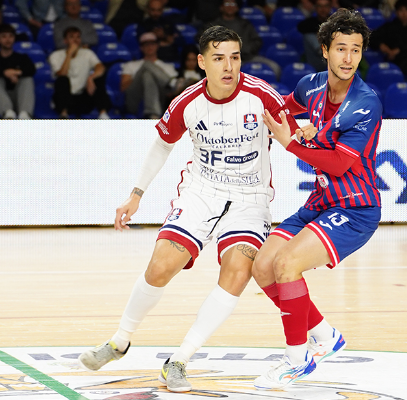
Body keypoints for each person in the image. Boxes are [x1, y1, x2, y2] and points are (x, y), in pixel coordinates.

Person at [77, 25, 309, 393]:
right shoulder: (188, 102)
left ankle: (179, 360)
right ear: (202, 62)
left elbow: (294, 136)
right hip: (201, 192)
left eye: (234, 57)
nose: (228, 66)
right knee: (161, 266)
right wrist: (136, 194)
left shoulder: (262, 96)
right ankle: (119, 341)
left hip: (249, 199)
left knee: (238, 271)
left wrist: (305, 135)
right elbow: (162, 145)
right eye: (218, 58)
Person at [252, 8, 383, 390]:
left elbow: (340, 163)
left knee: (287, 263)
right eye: (341, 48)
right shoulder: (310, 86)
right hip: (320, 202)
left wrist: (291, 141)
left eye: (355, 50)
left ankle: (296, 360)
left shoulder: (366, 102)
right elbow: (280, 108)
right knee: (263, 267)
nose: (348, 58)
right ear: (324, 50)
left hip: (355, 208)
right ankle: (325, 336)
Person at [206, 0, 281, 78]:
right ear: (221, 7)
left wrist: (246, 49)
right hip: (224, 60)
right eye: (227, 4)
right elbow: (206, 42)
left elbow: (257, 41)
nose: (230, 6)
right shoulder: (213, 26)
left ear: (237, 8)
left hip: (248, 57)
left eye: (233, 4)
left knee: (274, 67)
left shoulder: (245, 24)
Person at [49, 26, 111, 118]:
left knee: (98, 78)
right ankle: (64, 115)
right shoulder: (55, 55)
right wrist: (69, 54)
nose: (75, 40)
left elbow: (101, 67)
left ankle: (103, 114)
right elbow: (62, 73)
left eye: (78, 37)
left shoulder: (87, 53)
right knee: (62, 80)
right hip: (64, 98)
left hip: (83, 97)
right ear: (65, 41)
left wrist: (91, 78)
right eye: (71, 37)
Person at [119, 32, 178, 119]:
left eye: (152, 44)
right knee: (146, 67)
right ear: (141, 47)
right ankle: (172, 82)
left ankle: (153, 114)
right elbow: (124, 88)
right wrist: (140, 77)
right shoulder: (130, 65)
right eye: (146, 45)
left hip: (161, 102)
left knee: (148, 75)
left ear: (157, 46)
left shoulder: (167, 67)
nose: (150, 47)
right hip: (136, 103)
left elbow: (171, 94)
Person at [0, 23, 35, 119]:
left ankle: (24, 114)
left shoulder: (22, 57)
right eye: (4, 36)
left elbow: (32, 70)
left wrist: (16, 73)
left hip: (18, 96)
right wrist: (4, 73)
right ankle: (7, 113)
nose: (8, 40)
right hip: (1, 98)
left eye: (10, 36)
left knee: (27, 79)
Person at [297, 0, 332, 72]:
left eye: (326, 6)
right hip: (317, 61)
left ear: (330, 8)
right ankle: (322, 51)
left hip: (334, 56)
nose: (323, 9)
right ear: (315, 8)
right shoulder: (310, 22)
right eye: (320, 6)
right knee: (308, 36)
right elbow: (300, 27)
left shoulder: (335, 23)